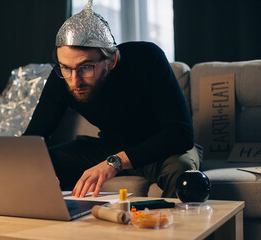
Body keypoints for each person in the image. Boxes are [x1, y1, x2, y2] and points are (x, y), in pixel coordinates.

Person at [23, 0, 201, 198]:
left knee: (183, 169)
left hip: (162, 150)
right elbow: (32, 140)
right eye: (65, 67)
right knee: (45, 161)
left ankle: (166, 227)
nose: (75, 80)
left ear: (112, 60)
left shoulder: (147, 59)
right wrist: (37, 168)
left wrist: (115, 162)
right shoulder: (62, 78)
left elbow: (181, 134)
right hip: (108, 148)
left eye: (85, 67)